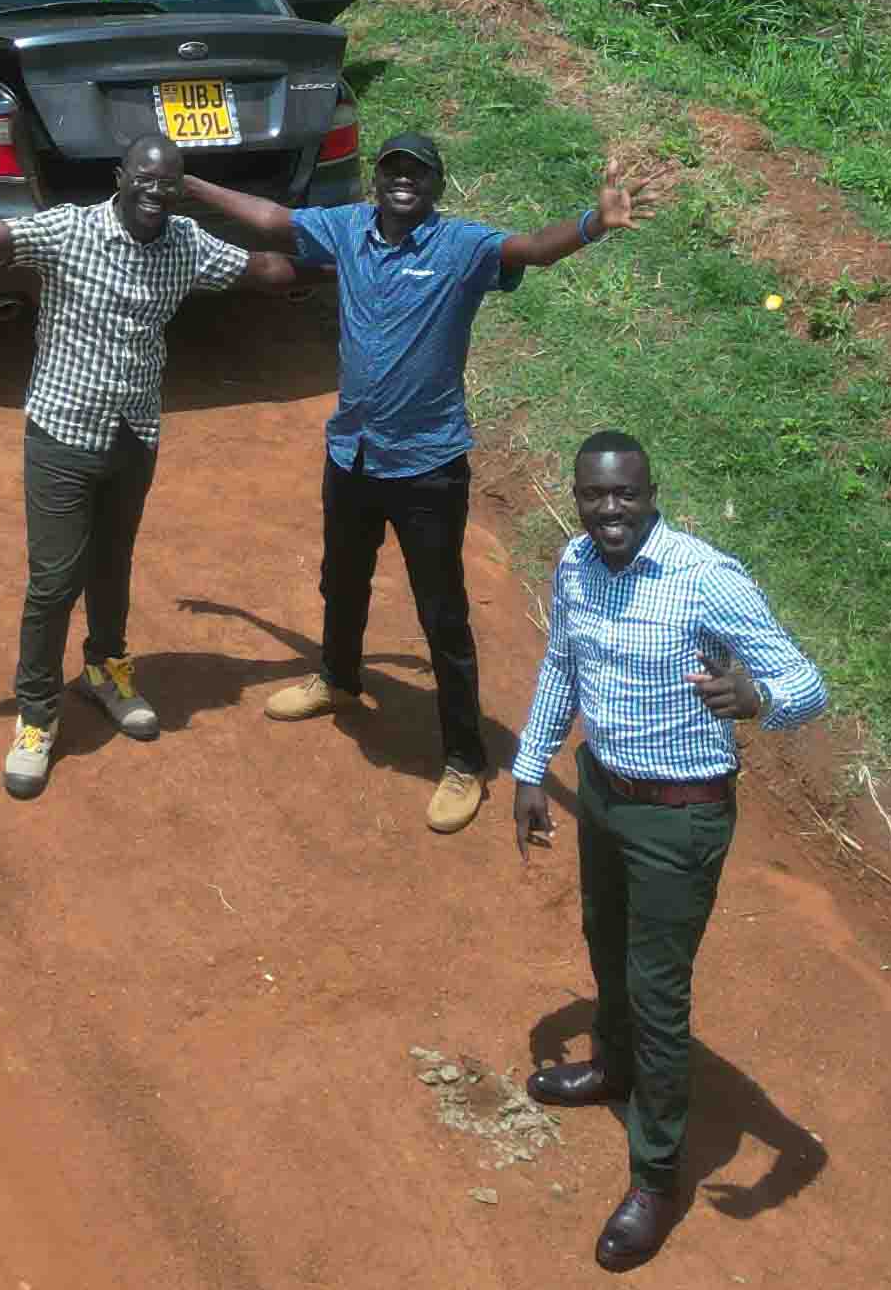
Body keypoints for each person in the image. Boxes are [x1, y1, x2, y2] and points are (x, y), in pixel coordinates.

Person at [174, 133, 645, 833]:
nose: (403, 182)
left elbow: (531, 250)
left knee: (441, 614)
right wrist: (189, 185)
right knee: (342, 577)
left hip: (428, 464)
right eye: (392, 170)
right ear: (376, 181)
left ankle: (464, 759)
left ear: (436, 187)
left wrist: (593, 223)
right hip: (353, 454)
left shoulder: (460, 248)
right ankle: (337, 678)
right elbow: (273, 220)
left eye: (417, 174)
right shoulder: (344, 231)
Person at [0, 137, 294, 801]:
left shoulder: (185, 244)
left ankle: (107, 669)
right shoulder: (70, 232)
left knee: (113, 564)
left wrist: (357, 253)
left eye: (168, 184)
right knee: (55, 582)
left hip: (134, 433)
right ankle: (35, 714)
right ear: (120, 178)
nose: (154, 193)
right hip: (61, 435)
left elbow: (267, 271)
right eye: (143, 179)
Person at [511, 430, 826, 1272]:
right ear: (577, 496)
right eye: (593, 496)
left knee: (658, 988)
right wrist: (529, 767)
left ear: (653, 492)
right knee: (603, 944)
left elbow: (807, 684)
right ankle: (612, 1070)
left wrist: (759, 697)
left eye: (626, 495)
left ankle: (655, 1176)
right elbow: (560, 667)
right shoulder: (574, 565)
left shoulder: (704, 578)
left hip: (680, 816)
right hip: (605, 793)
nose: (609, 511)